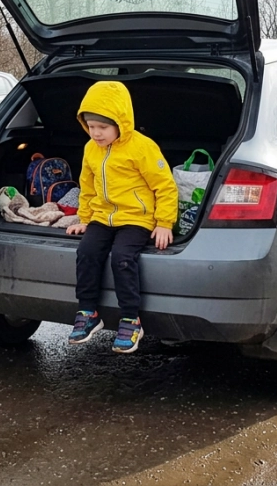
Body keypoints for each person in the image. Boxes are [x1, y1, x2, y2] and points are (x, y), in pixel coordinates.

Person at [65, 81, 179, 353]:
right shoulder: (91, 149)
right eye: (91, 127)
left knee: (122, 258)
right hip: (103, 217)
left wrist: (164, 222)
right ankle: (88, 313)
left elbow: (165, 185)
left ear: (121, 123)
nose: (96, 133)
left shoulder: (142, 147)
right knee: (87, 253)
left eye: (102, 127)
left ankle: (131, 318)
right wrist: (84, 217)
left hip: (136, 218)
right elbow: (87, 185)